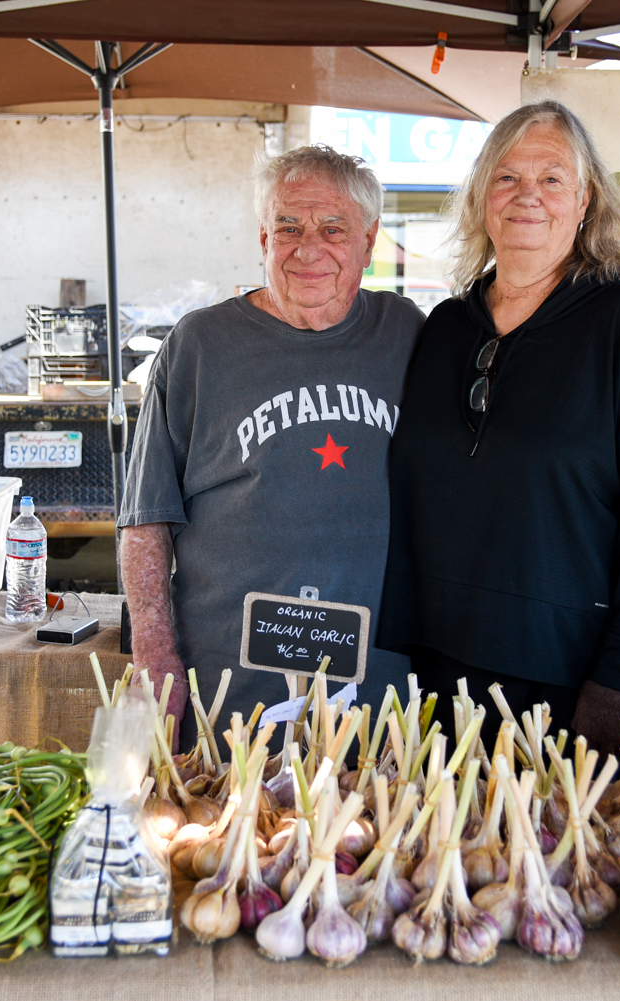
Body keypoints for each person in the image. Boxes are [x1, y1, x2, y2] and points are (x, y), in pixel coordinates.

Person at [377, 101, 620, 754]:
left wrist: (619, 680)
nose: (528, 196)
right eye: (506, 177)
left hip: (573, 688)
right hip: (444, 679)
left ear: (584, 201)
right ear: (480, 199)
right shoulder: (444, 329)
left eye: (552, 178)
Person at [120, 145, 424, 749]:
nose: (308, 249)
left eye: (333, 229)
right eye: (288, 227)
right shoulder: (200, 346)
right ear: (263, 238)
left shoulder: (408, 335)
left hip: (376, 690)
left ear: (368, 241)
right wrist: (156, 655)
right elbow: (144, 520)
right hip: (228, 695)